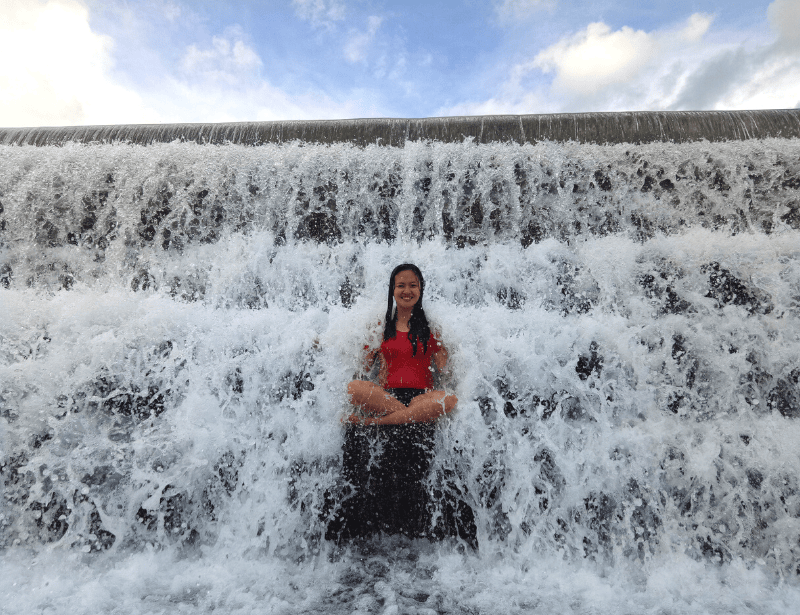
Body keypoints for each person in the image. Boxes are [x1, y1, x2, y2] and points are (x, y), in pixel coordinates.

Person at [324, 264, 476, 546]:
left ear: (421, 290)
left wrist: (453, 345)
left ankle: (375, 423)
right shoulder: (381, 329)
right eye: (401, 285)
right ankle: (400, 416)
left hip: (420, 398)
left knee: (450, 399)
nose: (407, 291)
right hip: (388, 398)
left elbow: (446, 370)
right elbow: (362, 368)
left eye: (413, 285)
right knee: (353, 388)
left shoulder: (431, 331)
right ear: (392, 291)